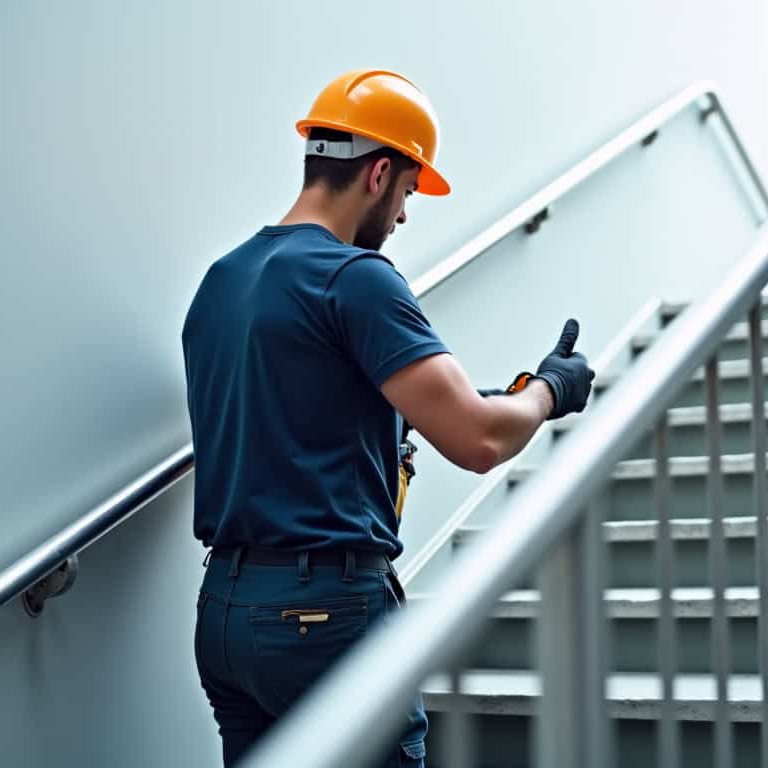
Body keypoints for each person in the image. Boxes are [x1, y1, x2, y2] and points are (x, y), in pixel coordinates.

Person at [181, 69, 595, 767]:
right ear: (378, 174)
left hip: (225, 611)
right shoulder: (353, 278)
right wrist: (551, 389)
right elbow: (481, 440)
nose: (403, 216)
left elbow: (294, 408)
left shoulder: (221, 281)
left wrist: (400, 419)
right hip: (321, 616)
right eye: (407, 192)